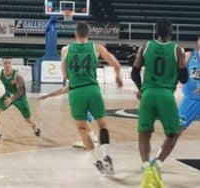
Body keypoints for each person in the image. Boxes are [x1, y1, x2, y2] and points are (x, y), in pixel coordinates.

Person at [131, 17, 188, 187]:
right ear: (171, 31)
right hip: (165, 95)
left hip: (148, 94)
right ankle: (158, 164)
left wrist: (141, 88)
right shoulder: (178, 50)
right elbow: (184, 78)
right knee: (173, 133)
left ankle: (146, 167)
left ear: (156, 31)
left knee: (144, 134)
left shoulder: (145, 46)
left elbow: (134, 72)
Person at [61, 22, 123, 175]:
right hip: (93, 90)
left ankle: (98, 162)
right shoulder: (97, 48)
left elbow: (65, 75)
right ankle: (107, 156)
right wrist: (117, 77)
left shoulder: (65, 50)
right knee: (102, 125)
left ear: (75, 34)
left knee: (82, 128)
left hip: (76, 92)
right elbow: (116, 63)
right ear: (88, 34)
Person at [0, 57, 40, 140]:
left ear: (12, 64)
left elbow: (21, 91)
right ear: (2, 64)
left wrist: (11, 99)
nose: (7, 65)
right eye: (5, 63)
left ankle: (34, 125)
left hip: (20, 98)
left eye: (9, 63)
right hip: (7, 95)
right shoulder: (0, 73)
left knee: (28, 119)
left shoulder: (17, 76)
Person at [37, 85, 99, 149]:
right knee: (82, 121)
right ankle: (90, 138)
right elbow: (63, 90)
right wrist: (48, 95)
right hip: (85, 101)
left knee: (83, 121)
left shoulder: (77, 82)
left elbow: (63, 90)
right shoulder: (77, 82)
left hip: (83, 103)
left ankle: (91, 139)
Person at [178, 33, 200, 135]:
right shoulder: (189, 55)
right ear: (198, 41)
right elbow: (179, 74)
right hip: (189, 99)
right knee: (175, 131)